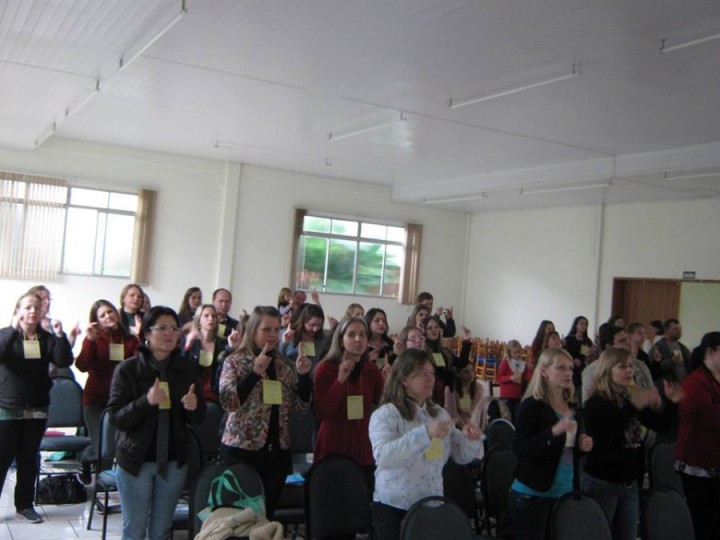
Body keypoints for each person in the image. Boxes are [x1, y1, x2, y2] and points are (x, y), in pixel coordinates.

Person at [108, 306, 205, 540]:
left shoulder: (187, 369)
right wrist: (146, 402)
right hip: (136, 461)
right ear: (147, 334)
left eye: (174, 328)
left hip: (174, 461)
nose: (169, 334)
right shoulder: (128, 369)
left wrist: (194, 407)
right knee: (135, 529)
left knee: (161, 530)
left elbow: (199, 417)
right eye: (162, 328)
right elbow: (116, 417)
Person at [369, 348, 483, 540]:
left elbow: (460, 455)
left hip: (431, 505)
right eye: (423, 373)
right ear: (403, 378)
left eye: (432, 373)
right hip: (395, 508)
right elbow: (383, 456)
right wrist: (424, 434)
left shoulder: (438, 413)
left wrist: (471, 440)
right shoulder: (386, 414)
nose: (430, 378)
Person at [218, 306, 312, 518]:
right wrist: (253, 374)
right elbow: (228, 402)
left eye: (276, 329)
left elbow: (301, 406)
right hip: (242, 450)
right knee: (236, 520)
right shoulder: (235, 361)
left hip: (276, 453)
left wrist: (304, 377)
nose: (272, 335)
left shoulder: (284, 365)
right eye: (266, 329)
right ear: (253, 330)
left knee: (265, 517)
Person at [583, 347, 681, 540]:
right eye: (622, 366)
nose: (629, 370)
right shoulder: (596, 403)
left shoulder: (628, 399)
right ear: (607, 370)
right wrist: (635, 404)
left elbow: (660, 425)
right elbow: (610, 436)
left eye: (630, 366)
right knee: (600, 534)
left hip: (629, 482)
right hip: (603, 481)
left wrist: (671, 403)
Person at [0, 293, 74, 523]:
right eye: (28, 307)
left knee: (29, 458)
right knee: (2, 458)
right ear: (19, 310)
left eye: (37, 307)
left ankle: (24, 505)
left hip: (37, 406)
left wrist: (61, 335)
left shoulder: (47, 337)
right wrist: (13, 329)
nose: (33, 311)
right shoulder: (7, 334)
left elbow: (63, 361)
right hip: (7, 406)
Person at [509, 348, 593, 540]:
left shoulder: (572, 406)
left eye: (571, 368)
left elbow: (569, 451)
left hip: (565, 492)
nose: (568, 373)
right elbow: (520, 449)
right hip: (533, 494)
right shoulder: (531, 405)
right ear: (544, 371)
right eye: (561, 367)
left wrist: (582, 445)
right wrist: (553, 432)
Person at [313, 317, 384, 491]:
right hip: (334, 446)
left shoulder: (372, 370)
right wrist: (340, 381)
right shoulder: (326, 369)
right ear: (341, 340)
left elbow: (382, 407)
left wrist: (389, 383)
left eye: (362, 335)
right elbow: (322, 412)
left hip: (364, 449)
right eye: (351, 335)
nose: (358, 339)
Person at [75, 299, 139, 462]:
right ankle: (90, 465)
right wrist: (89, 340)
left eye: (110, 312)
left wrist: (139, 337)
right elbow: (82, 365)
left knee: (118, 446)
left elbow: (139, 366)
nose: (108, 316)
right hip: (95, 400)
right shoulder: (95, 338)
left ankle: (110, 482)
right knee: (101, 449)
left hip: (121, 400)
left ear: (116, 313)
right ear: (97, 320)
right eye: (102, 315)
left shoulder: (130, 339)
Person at [674, 332, 720, 540]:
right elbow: (705, 418)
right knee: (704, 522)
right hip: (698, 463)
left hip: (714, 462)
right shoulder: (696, 381)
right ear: (710, 352)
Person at [181, 304, 241, 403]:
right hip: (192, 394)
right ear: (198, 320)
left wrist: (231, 347)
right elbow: (182, 367)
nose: (211, 319)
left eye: (214, 316)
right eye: (206, 316)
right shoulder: (191, 342)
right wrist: (188, 346)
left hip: (215, 396)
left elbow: (226, 369)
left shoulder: (222, 344)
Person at [422, 316, 471, 406]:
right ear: (424, 331)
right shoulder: (422, 353)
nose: (434, 330)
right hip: (430, 397)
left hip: (447, 395)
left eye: (436, 327)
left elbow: (461, 363)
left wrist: (466, 341)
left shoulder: (442, 351)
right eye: (430, 328)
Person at [279, 303, 330, 373]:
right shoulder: (289, 334)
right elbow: (279, 357)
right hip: (290, 375)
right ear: (303, 322)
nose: (315, 329)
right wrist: (284, 343)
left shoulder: (322, 340)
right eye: (312, 325)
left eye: (319, 325)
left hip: (311, 378)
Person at [496, 339, 532, 422]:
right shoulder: (505, 362)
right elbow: (499, 378)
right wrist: (510, 378)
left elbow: (528, 377)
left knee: (517, 416)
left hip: (518, 395)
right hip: (506, 396)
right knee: (507, 416)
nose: (518, 355)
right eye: (515, 353)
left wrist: (530, 369)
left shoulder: (523, 363)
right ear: (509, 353)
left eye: (519, 352)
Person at [648, 318, 691, 383]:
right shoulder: (658, 347)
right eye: (675, 329)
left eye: (680, 329)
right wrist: (671, 361)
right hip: (665, 386)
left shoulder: (683, 347)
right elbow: (653, 369)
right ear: (667, 330)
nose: (679, 331)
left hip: (682, 384)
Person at [445, 360, 484, 428]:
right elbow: (453, 414)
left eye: (472, 370)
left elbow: (478, 411)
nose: (471, 374)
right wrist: (465, 426)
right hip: (456, 425)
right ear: (458, 374)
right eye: (466, 372)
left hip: (474, 423)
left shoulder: (478, 388)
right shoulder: (451, 390)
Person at [564, 316, 593, 391]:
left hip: (584, 369)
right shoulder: (569, 339)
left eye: (586, 324)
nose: (584, 326)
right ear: (576, 325)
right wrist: (573, 359)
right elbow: (565, 353)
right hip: (572, 368)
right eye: (581, 324)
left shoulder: (588, 341)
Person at [365, 308, 394, 376]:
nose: (381, 323)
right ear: (368, 323)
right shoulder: (364, 344)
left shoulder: (389, 343)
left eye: (384, 321)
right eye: (377, 321)